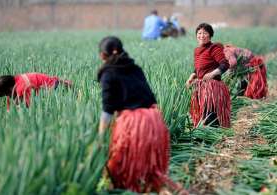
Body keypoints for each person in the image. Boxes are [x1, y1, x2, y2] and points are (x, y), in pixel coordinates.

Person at [97, 36, 187, 194]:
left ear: (103, 56)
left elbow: (108, 109)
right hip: (153, 120)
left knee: (123, 167)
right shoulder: (135, 68)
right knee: (150, 168)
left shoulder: (108, 74)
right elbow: (152, 99)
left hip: (134, 123)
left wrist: (100, 138)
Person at [186, 23, 231, 128]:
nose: (201, 35)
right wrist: (192, 76)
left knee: (209, 115)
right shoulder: (197, 50)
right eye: (199, 33)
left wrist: (212, 74)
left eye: (205, 33)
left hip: (212, 88)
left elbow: (225, 64)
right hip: (201, 87)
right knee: (202, 115)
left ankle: (212, 139)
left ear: (210, 35)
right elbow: (199, 67)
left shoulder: (214, 48)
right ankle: (205, 137)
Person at [0, 73, 72, 110]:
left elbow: (30, 106)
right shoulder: (16, 79)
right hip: (54, 83)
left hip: (55, 88)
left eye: (7, 93)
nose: (8, 96)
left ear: (10, 88)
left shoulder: (22, 88)